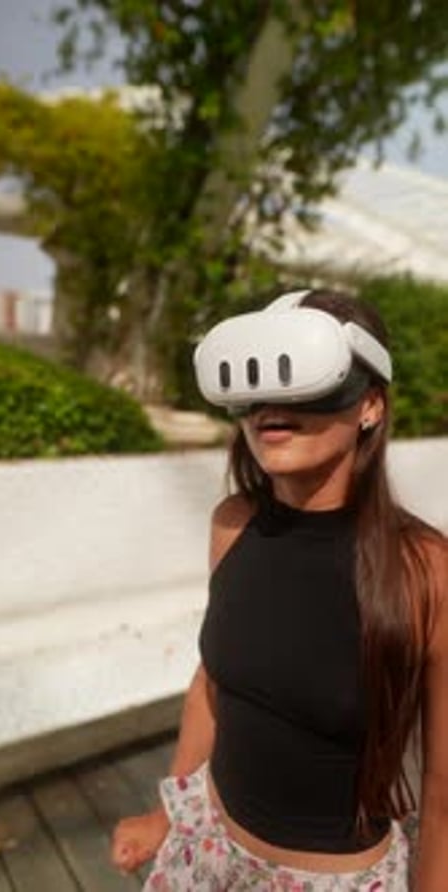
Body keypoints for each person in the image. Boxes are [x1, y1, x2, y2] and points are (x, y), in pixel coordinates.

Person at [111, 288, 447, 890]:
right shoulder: (232, 525)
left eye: (301, 379)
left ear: (370, 405)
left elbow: (444, 788)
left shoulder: (427, 572)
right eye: (253, 387)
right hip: (203, 844)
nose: (270, 406)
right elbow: (212, 684)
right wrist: (168, 813)